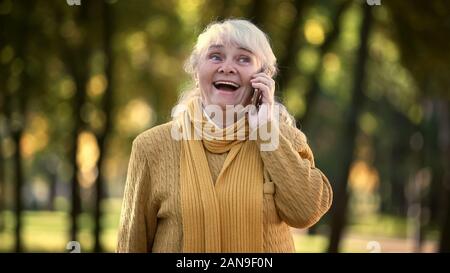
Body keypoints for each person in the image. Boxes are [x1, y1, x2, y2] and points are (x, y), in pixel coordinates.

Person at [116, 19, 332, 253]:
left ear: (263, 78)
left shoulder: (284, 140)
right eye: (216, 56)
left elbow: (306, 213)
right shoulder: (151, 147)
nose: (227, 67)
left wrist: (267, 131)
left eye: (244, 59)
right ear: (197, 72)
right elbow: (132, 244)